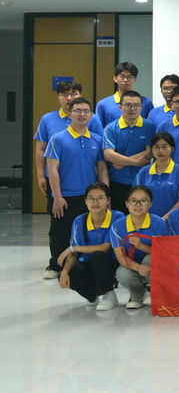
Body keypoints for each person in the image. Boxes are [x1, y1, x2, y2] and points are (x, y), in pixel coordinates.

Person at [45, 97, 108, 280]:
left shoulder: (97, 139)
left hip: (89, 198)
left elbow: (102, 169)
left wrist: (105, 195)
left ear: (91, 115)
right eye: (77, 111)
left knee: (85, 232)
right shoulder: (57, 139)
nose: (82, 114)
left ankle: (80, 267)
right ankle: (56, 266)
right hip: (64, 196)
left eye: (86, 111)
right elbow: (53, 170)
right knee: (59, 233)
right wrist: (57, 196)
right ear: (70, 114)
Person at [58, 182, 122, 311]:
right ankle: (92, 296)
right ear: (85, 201)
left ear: (108, 201)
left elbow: (105, 248)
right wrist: (64, 272)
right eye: (91, 198)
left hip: (112, 265)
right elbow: (73, 254)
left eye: (100, 198)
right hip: (90, 265)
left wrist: (73, 248)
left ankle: (108, 294)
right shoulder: (79, 220)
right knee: (68, 271)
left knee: (97, 256)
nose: (95, 202)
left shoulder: (117, 217)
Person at [111, 184, 168, 310]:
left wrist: (141, 246)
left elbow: (163, 253)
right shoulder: (117, 226)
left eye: (143, 201)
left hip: (153, 266)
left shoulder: (159, 223)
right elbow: (120, 257)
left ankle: (157, 292)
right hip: (132, 266)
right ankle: (137, 295)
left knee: (150, 258)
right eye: (133, 201)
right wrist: (138, 267)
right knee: (122, 273)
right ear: (127, 204)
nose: (138, 205)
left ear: (150, 204)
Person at [102, 89, 153, 210]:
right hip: (117, 182)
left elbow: (150, 152)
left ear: (141, 107)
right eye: (128, 105)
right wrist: (135, 162)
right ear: (120, 107)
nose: (132, 109)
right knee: (119, 218)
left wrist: (120, 162)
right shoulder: (110, 128)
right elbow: (108, 155)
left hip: (142, 181)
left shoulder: (150, 126)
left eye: (136, 105)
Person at [135, 131, 179, 217]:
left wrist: (165, 218)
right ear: (151, 149)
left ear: (172, 148)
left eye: (165, 147)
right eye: (156, 147)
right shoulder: (143, 172)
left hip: (173, 220)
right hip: (147, 220)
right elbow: (136, 197)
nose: (160, 150)